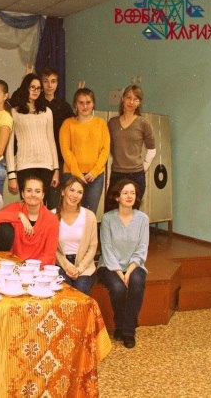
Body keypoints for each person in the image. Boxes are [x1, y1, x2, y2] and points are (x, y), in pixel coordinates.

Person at [98, 179, 149, 349]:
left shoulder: (143, 219)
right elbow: (107, 248)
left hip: (134, 264)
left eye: (132, 193)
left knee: (137, 282)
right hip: (109, 265)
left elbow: (142, 248)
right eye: (125, 193)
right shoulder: (107, 219)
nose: (129, 196)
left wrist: (130, 271)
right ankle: (121, 324)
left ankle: (128, 331)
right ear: (117, 197)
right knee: (118, 288)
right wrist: (120, 272)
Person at [6, 73, 59, 206]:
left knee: (42, 206)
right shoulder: (14, 112)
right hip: (24, 165)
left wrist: (56, 169)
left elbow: (51, 141)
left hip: (46, 165)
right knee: (27, 205)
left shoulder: (47, 112)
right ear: (25, 88)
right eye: (32, 87)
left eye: (38, 88)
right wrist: (11, 174)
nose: (36, 91)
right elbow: (9, 146)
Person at [59, 88, 110, 213]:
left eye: (88, 102)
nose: (85, 106)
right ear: (75, 104)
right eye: (81, 102)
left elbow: (105, 150)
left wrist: (94, 172)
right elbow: (66, 151)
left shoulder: (101, 123)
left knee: (90, 213)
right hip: (71, 174)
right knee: (70, 211)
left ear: (93, 104)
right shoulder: (67, 124)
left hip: (95, 177)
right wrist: (77, 174)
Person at [106, 84, 156, 210]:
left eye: (135, 99)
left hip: (136, 176)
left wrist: (142, 168)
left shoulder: (144, 123)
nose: (131, 102)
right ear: (123, 98)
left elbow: (152, 150)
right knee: (111, 212)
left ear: (139, 103)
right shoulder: (112, 123)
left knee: (131, 214)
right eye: (128, 97)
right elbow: (109, 148)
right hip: (117, 174)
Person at [0, 175, 58, 265]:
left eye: (37, 191)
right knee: (4, 230)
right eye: (29, 191)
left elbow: (49, 255)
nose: (33, 195)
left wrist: (28, 267)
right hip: (13, 265)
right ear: (22, 194)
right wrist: (19, 215)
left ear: (43, 195)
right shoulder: (15, 208)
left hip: (38, 267)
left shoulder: (52, 219)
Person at [53, 176, 98, 294]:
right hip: (60, 264)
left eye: (79, 192)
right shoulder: (52, 215)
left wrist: (79, 269)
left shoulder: (89, 216)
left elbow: (92, 247)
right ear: (63, 192)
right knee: (65, 290)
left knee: (80, 290)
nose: (75, 195)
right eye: (72, 190)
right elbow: (52, 248)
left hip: (85, 267)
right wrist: (66, 266)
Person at [41, 67, 74, 210]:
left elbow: (74, 126)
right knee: (37, 200)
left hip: (58, 159)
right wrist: (26, 84)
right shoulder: (36, 104)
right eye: (46, 81)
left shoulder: (64, 106)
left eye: (53, 81)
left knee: (54, 202)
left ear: (57, 84)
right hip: (39, 158)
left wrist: (78, 103)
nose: (49, 85)